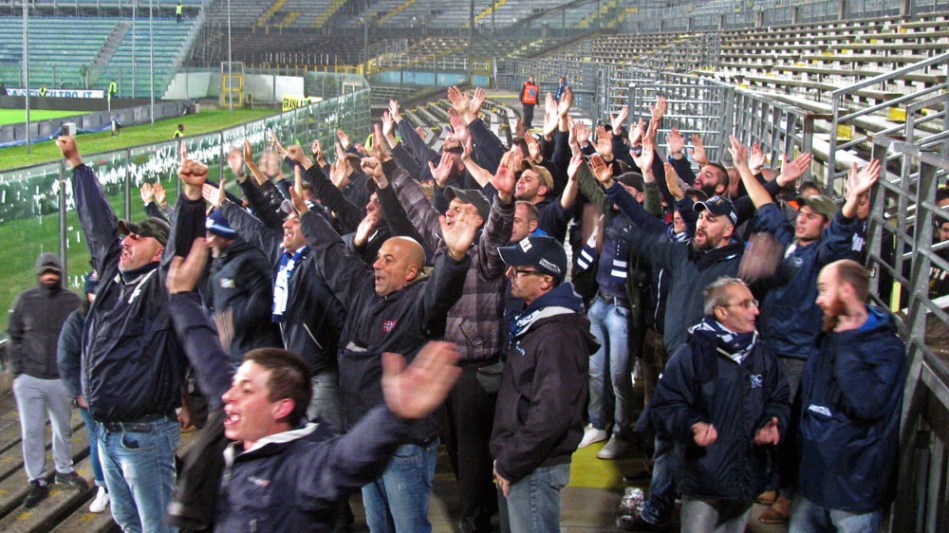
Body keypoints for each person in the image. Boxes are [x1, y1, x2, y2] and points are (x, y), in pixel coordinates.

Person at [162, 237, 464, 532]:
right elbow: (209, 361)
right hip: (358, 419)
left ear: (281, 407)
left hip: (398, 440)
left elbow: (347, 459)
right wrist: (183, 299)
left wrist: (395, 416)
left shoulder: (304, 467)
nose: (229, 395)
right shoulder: (238, 419)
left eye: (247, 389)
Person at [292, 163, 477, 533]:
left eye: (388, 260)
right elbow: (331, 253)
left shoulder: (419, 303)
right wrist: (305, 213)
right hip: (363, 436)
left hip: (404, 445)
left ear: (410, 273)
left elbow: (441, 291)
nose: (376, 263)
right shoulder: (362, 289)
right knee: (378, 527)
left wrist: (455, 258)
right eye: (378, 257)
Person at [57, 134, 206, 533]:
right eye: (126, 235)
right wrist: (76, 164)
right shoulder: (112, 279)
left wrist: (192, 198)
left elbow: (184, 251)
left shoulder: (161, 289)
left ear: (159, 252)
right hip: (107, 434)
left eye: (138, 237)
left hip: (143, 435)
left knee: (157, 527)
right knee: (126, 522)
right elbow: (97, 226)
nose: (126, 240)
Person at [650, 277, 790, 532]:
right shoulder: (691, 355)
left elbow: (779, 399)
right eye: (745, 304)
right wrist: (692, 425)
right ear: (721, 312)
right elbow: (665, 406)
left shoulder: (763, 353)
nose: (756, 311)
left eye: (754, 303)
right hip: (704, 479)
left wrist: (774, 422)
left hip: (746, 476)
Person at [790, 260, 908, 532]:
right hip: (812, 482)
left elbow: (866, 406)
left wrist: (848, 343)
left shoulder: (886, 348)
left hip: (854, 491)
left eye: (823, 289)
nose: (818, 300)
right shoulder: (827, 336)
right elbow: (807, 403)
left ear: (846, 290)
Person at [491, 235, 599, 532]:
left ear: (546, 280)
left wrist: (512, 460)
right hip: (522, 459)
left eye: (519, 270)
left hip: (534, 465)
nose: (509, 274)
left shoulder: (559, 334)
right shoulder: (536, 319)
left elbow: (552, 413)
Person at [8, 253, 87, 508]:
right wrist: (18, 373)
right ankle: (37, 480)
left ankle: (64, 470)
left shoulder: (73, 301)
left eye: (53, 272)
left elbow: (83, 338)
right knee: (31, 431)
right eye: (45, 272)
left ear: (60, 274)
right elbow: (14, 336)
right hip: (29, 379)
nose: (49, 276)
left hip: (61, 379)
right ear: (39, 274)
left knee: (63, 428)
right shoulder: (25, 300)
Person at [57, 271, 111, 513]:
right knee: (98, 439)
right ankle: (103, 486)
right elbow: (66, 360)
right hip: (89, 397)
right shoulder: (76, 321)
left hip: (115, 394)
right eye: (92, 292)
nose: (96, 296)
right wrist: (78, 393)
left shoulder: (118, 315)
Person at [204, 209, 283, 365]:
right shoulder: (221, 263)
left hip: (259, 356)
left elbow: (266, 301)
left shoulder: (251, 260)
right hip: (235, 355)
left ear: (226, 235)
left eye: (212, 235)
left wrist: (227, 321)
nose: (208, 241)